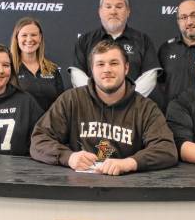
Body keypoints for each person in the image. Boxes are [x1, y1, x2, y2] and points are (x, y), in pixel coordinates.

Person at [31, 40, 178, 176]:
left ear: (126, 68)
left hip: (127, 191)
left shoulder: (145, 108)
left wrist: (130, 163)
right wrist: (68, 157)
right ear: (92, 70)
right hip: (78, 190)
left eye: (114, 63)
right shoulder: (71, 100)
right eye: (100, 64)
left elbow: (166, 149)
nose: (107, 69)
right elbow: (39, 140)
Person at [70, 0, 161, 100]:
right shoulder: (85, 40)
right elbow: (77, 73)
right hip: (93, 108)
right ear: (100, 12)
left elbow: (150, 75)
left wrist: (127, 99)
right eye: (108, 7)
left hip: (132, 108)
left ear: (128, 11)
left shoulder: (143, 40)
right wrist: (96, 98)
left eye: (119, 7)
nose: (113, 11)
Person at [10, 17, 64, 111]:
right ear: (16, 38)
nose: (29, 39)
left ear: (40, 38)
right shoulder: (9, 68)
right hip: (20, 124)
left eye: (34, 35)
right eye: (24, 35)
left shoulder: (52, 69)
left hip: (48, 125)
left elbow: (61, 104)